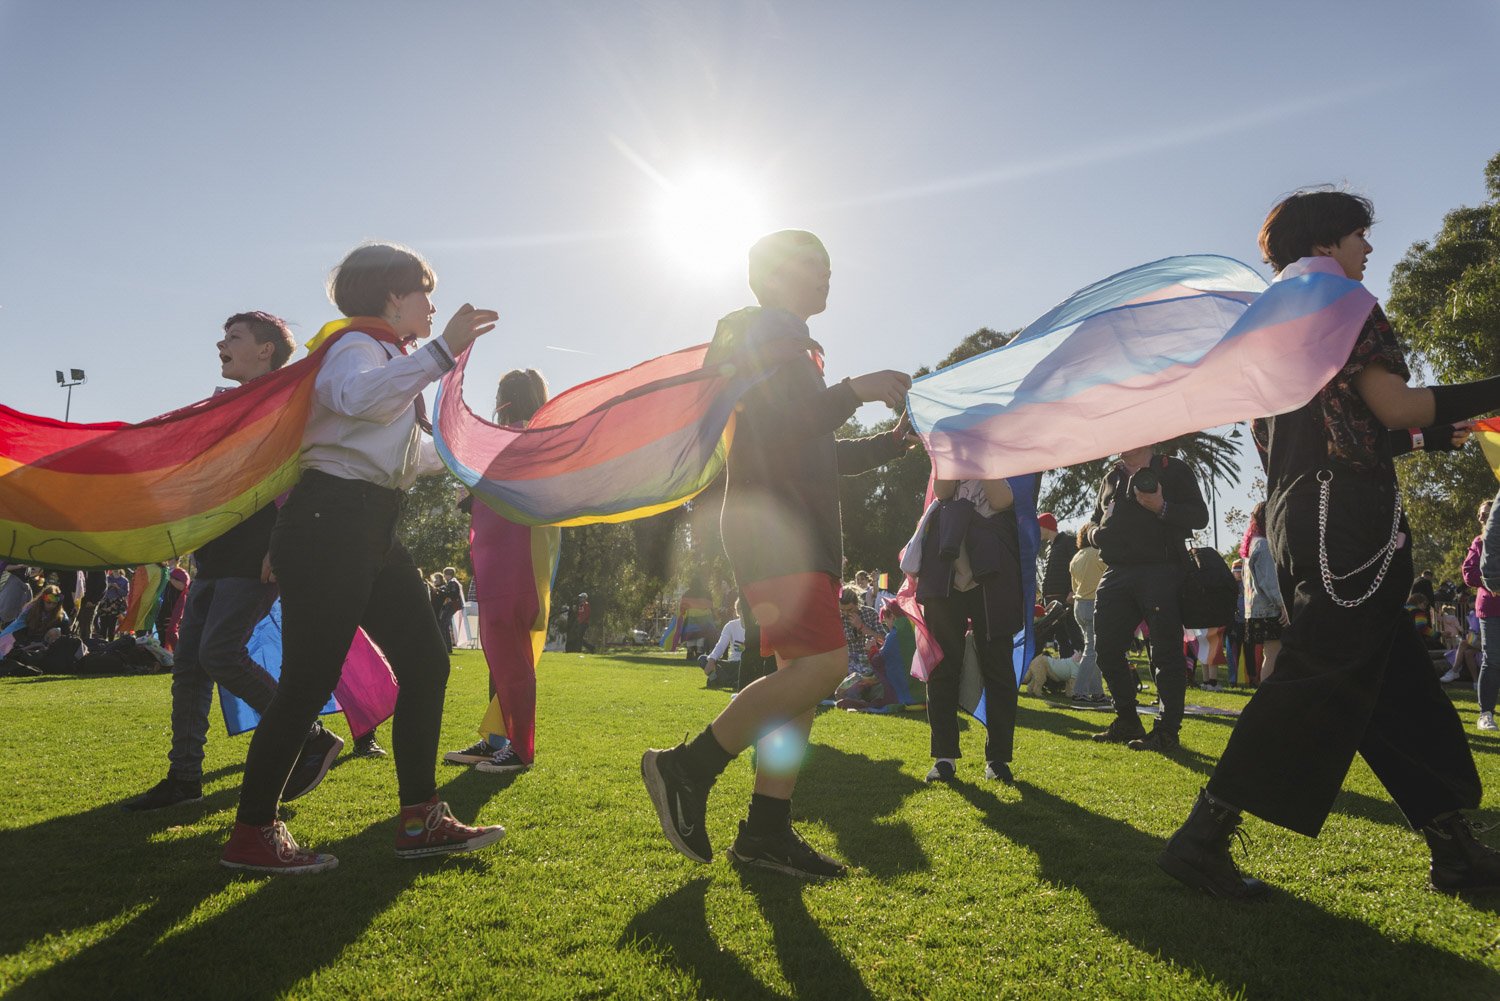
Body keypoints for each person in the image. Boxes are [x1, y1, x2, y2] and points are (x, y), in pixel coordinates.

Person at [1159, 188, 1500, 900]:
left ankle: (1456, 849)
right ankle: (1202, 836)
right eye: (1359, 236)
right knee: (1317, 675)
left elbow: (1340, 426)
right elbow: (1393, 407)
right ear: (1328, 241)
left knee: (1394, 682)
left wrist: (1435, 434)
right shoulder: (1345, 306)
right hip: (1349, 520)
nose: (1368, 250)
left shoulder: (1271, 321)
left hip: (1296, 514)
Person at [221, 242, 504, 875]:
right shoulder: (352, 348)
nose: (432, 305)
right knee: (305, 686)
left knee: (427, 665)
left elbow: (400, 458)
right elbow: (359, 400)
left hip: (370, 526)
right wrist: (441, 352)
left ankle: (418, 817)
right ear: (391, 296)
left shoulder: (388, 359)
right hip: (329, 525)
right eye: (424, 293)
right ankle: (252, 833)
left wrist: (480, 463)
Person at [641, 229, 912, 879]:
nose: (827, 275)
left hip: (787, 528)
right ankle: (687, 767)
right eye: (814, 265)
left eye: (828, 263)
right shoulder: (769, 338)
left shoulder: (784, 343)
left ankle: (765, 832)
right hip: (778, 532)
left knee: (801, 686)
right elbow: (795, 424)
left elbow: (810, 446)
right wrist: (859, 387)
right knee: (824, 663)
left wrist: (888, 446)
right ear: (779, 275)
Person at [124, 311, 344, 812]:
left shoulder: (286, 403)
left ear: (266, 350)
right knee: (190, 668)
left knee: (219, 654)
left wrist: (281, 545)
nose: (221, 343)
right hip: (216, 551)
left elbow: (301, 475)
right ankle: (184, 777)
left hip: (258, 551)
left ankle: (310, 735)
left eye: (234, 337)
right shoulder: (222, 405)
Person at [445, 368, 560, 773]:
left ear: (505, 398)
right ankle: (497, 740)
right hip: (502, 557)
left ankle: (519, 748)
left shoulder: (525, 438)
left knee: (510, 652)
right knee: (501, 651)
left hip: (518, 559)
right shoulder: (523, 439)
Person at [1085, 442, 1209, 753]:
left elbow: (1200, 516)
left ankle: (1166, 731)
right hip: (1117, 572)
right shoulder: (1110, 478)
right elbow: (1093, 521)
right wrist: (1093, 534)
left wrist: (1162, 507)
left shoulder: (1173, 469)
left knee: (1166, 654)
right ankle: (1127, 719)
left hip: (1161, 570)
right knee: (1105, 648)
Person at [917, 478, 1023, 783]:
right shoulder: (949, 443)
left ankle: (998, 759)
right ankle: (944, 757)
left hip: (992, 573)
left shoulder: (996, 451)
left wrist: (981, 453)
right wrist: (955, 449)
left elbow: (1002, 500)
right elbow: (943, 491)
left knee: (998, 667)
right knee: (943, 664)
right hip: (946, 566)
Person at [1240, 502, 1289, 682]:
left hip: (1256, 611)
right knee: (1273, 654)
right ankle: (1267, 695)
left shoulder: (1252, 545)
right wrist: (1282, 605)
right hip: (1269, 610)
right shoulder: (1263, 545)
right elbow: (1270, 582)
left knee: (1271, 654)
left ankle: (1268, 694)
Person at [1470, 495, 1500, 731]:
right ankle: (1486, 713)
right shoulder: (1479, 543)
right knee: (1492, 659)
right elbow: (1469, 574)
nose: (1484, 515)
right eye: (1482, 512)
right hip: (1490, 608)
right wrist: (1493, 583)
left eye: (1489, 511)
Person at [1068, 527, 1107, 703]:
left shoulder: (1076, 557)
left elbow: (1074, 588)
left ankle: (1097, 692)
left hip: (1079, 605)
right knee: (1092, 650)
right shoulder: (1098, 554)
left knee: (1092, 649)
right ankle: (1080, 691)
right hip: (1093, 603)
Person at [1037, 513, 1080, 657]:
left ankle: (1080, 674)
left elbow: (1076, 567)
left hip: (1065, 599)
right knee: (1061, 639)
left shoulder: (1068, 541)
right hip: (1051, 602)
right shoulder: (1050, 548)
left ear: (1045, 526)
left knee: (1074, 637)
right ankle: (1066, 674)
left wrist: (1072, 590)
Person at [701, 597, 747, 686]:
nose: (743, 612)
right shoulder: (730, 626)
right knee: (703, 659)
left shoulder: (757, 626)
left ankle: (722, 680)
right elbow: (721, 645)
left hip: (746, 664)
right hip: (732, 663)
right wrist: (712, 660)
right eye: (741, 609)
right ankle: (731, 681)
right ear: (737, 611)